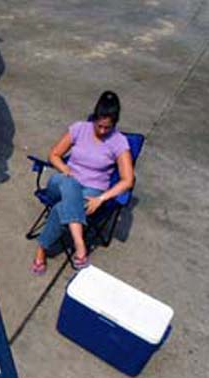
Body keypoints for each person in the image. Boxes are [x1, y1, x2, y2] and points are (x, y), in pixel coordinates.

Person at [31, 91, 134, 274]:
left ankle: (41, 250)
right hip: (62, 183)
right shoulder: (79, 129)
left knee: (61, 209)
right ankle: (80, 246)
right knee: (70, 183)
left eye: (107, 128)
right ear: (94, 118)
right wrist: (65, 169)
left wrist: (101, 198)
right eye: (99, 126)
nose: (102, 131)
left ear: (114, 124)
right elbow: (54, 155)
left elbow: (128, 180)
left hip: (92, 192)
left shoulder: (119, 142)